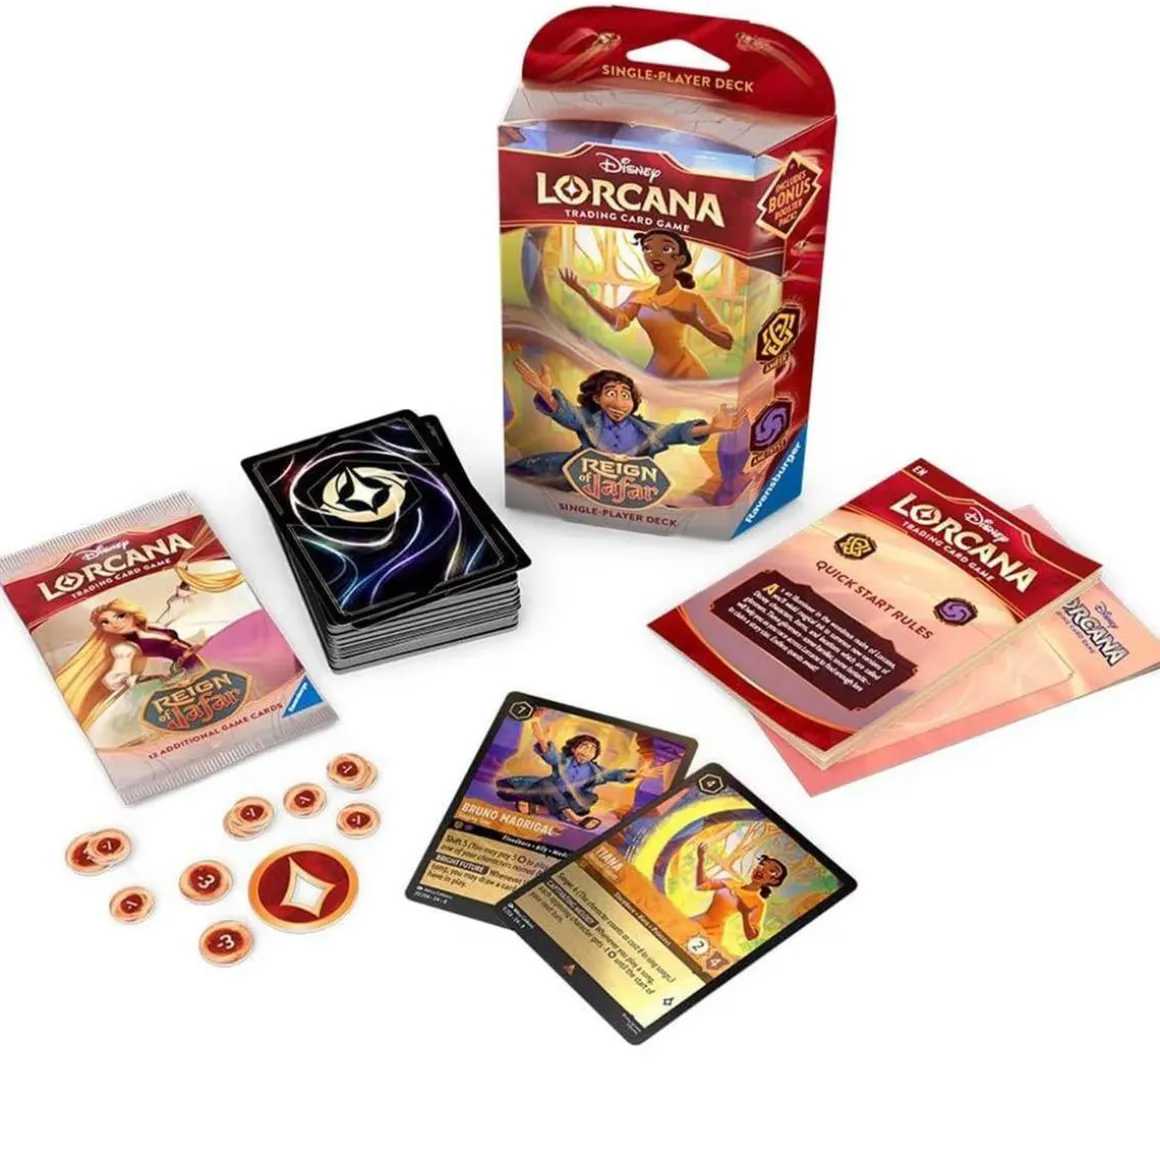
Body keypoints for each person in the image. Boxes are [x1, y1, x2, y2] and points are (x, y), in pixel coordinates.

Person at [508, 361, 737, 486]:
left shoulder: (644, 430)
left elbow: (675, 432)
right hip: (578, 477)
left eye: (625, 395)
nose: (619, 402)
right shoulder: (590, 421)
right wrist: (546, 393)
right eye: (611, 393)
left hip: (629, 486)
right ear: (597, 398)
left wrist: (711, 428)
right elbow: (568, 414)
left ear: (633, 402)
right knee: (524, 472)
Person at [560, 230, 733, 379]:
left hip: (687, 370)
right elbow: (616, 321)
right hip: (657, 368)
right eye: (647, 248)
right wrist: (583, 293)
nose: (654, 255)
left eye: (666, 249)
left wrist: (696, 323)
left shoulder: (692, 299)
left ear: (680, 259)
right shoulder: (640, 297)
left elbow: (726, 342)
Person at [496, 719, 639, 827]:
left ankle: (540, 808)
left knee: (588, 800)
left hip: (566, 799)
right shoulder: (564, 761)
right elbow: (552, 756)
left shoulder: (595, 770)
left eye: (592, 750)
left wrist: (637, 775)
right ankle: (573, 818)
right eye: (584, 746)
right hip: (543, 791)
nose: (587, 751)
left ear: (594, 755)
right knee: (547, 784)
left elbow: (614, 774)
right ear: (574, 749)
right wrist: (542, 740)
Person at [693, 843, 787, 943]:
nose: (763, 868)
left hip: (711, 935)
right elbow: (701, 884)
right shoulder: (730, 882)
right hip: (696, 922)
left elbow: (752, 936)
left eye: (772, 870)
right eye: (763, 864)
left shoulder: (758, 903)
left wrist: (745, 914)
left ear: (774, 881)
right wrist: (701, 860)